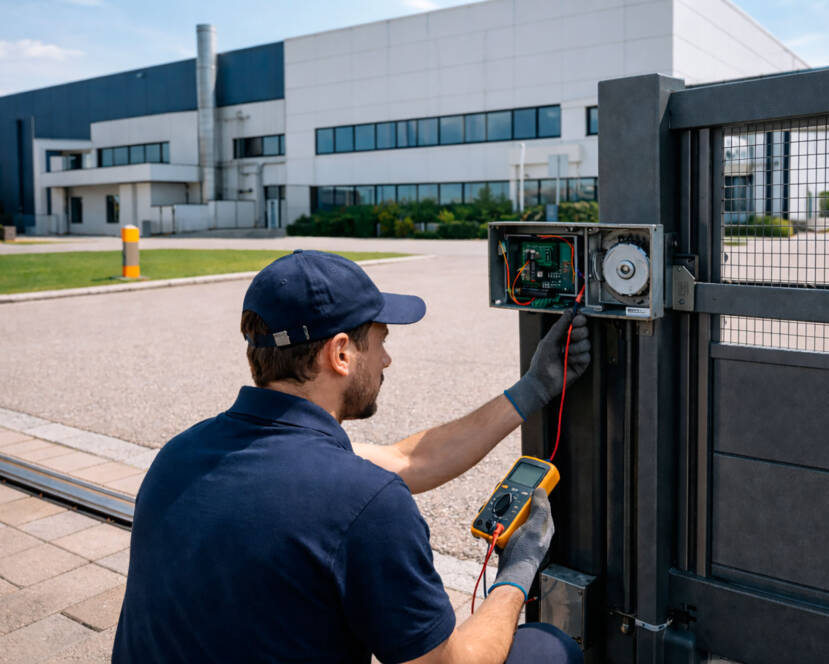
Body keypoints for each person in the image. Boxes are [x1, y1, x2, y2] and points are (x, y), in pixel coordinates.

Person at [113, 250, 591, 664]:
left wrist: (532, 390)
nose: (386, 359)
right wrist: (517, 573)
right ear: (341, 353)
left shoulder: (183, 453)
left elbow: (410, 459)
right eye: (381, 339)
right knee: (544, 650)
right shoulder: (362, 501)